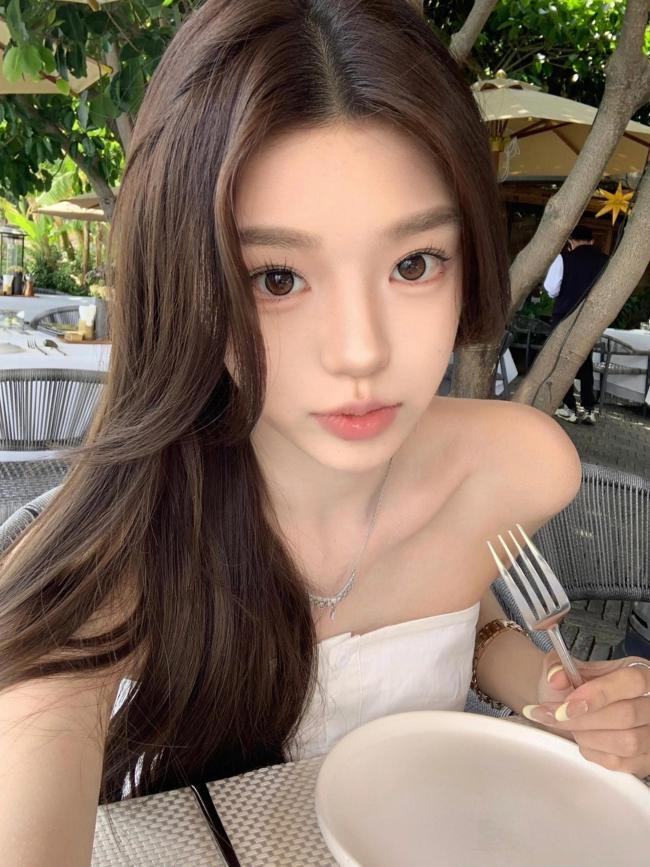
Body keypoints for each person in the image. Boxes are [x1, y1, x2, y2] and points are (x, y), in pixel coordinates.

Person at [1, 2, 649, 862]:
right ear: (187, 284)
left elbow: (457, 610)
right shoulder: (118, 558)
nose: (360, 351)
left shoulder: (510, 471)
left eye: (413, 263)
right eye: (277, 277)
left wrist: (561, 691)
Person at [543, 225, 609, 425]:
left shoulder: (564, 258)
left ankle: (569, 407)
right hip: (589, 319)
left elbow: (551, 289)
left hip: (564, 315)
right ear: (592, 241)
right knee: (584, 360)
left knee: (560, 360)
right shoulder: (605, 260)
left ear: (571, 241)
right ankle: (589, 409)